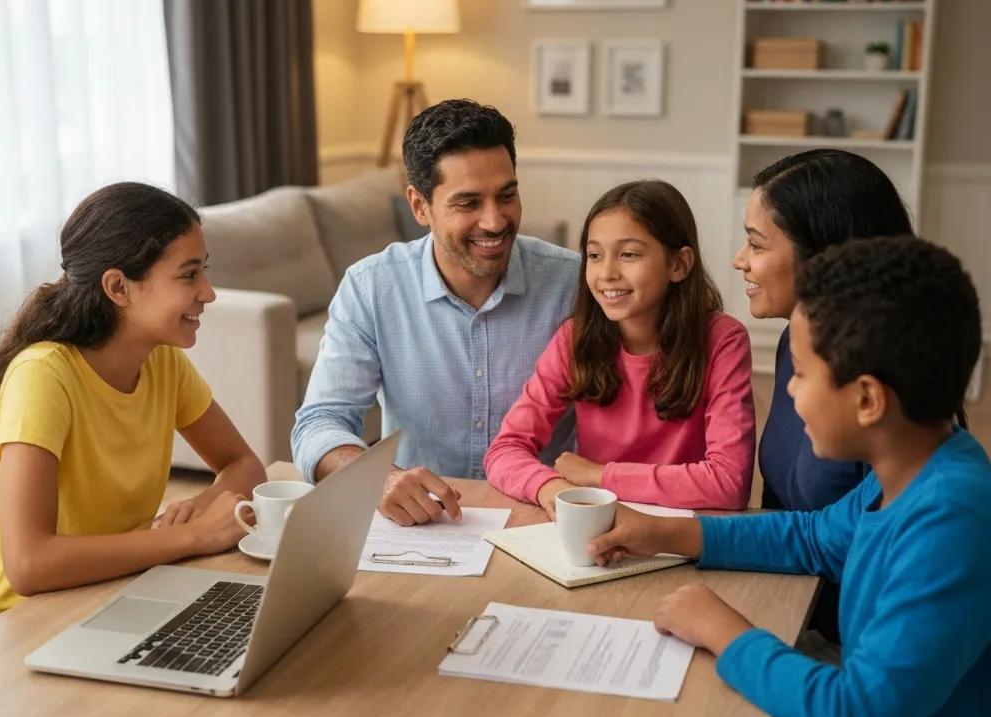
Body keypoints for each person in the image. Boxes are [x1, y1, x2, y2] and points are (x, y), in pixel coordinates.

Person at [589, 237, 991, 717]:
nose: (790, 393)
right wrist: (666, 532)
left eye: (799, 374)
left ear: (866, 398)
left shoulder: (953, 518)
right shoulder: (913, 471)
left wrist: (726, 630)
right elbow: (808, 536)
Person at [0, 182, 265, 629]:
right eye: (188, 275)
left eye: (203, 271)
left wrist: (200, 508)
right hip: (15, 626)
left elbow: (243, 463)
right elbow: (28, 565)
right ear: (118, 287)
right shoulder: (43, 376)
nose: (208, 292)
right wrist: (192, 537)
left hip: (112, 593)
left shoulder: (162, 361)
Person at [291, 99, 580, 527]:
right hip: (425, 524)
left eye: (507, 195)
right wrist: (381, 479)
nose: (495, 221)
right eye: (468, 203)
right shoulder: (371, 287)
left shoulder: (574, 283)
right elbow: (319, 423)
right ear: (419, 206)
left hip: (544, 519)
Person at [484, 180, 755, 516]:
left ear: (679, 265)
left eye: (628, 254)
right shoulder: (574, 338)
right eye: (595, 255)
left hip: (682, 533)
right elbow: (504, 450)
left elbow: (729, 482)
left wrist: (598, 475)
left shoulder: (723, 340)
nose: (607, 273)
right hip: (599, 525)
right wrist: (550, 487)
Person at [735, 148, 913, 513]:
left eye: (755, 244)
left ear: (823, 256)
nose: (739, 260)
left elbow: (850, 541)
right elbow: (780, 507)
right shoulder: (795, 341)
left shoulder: (891, 391)